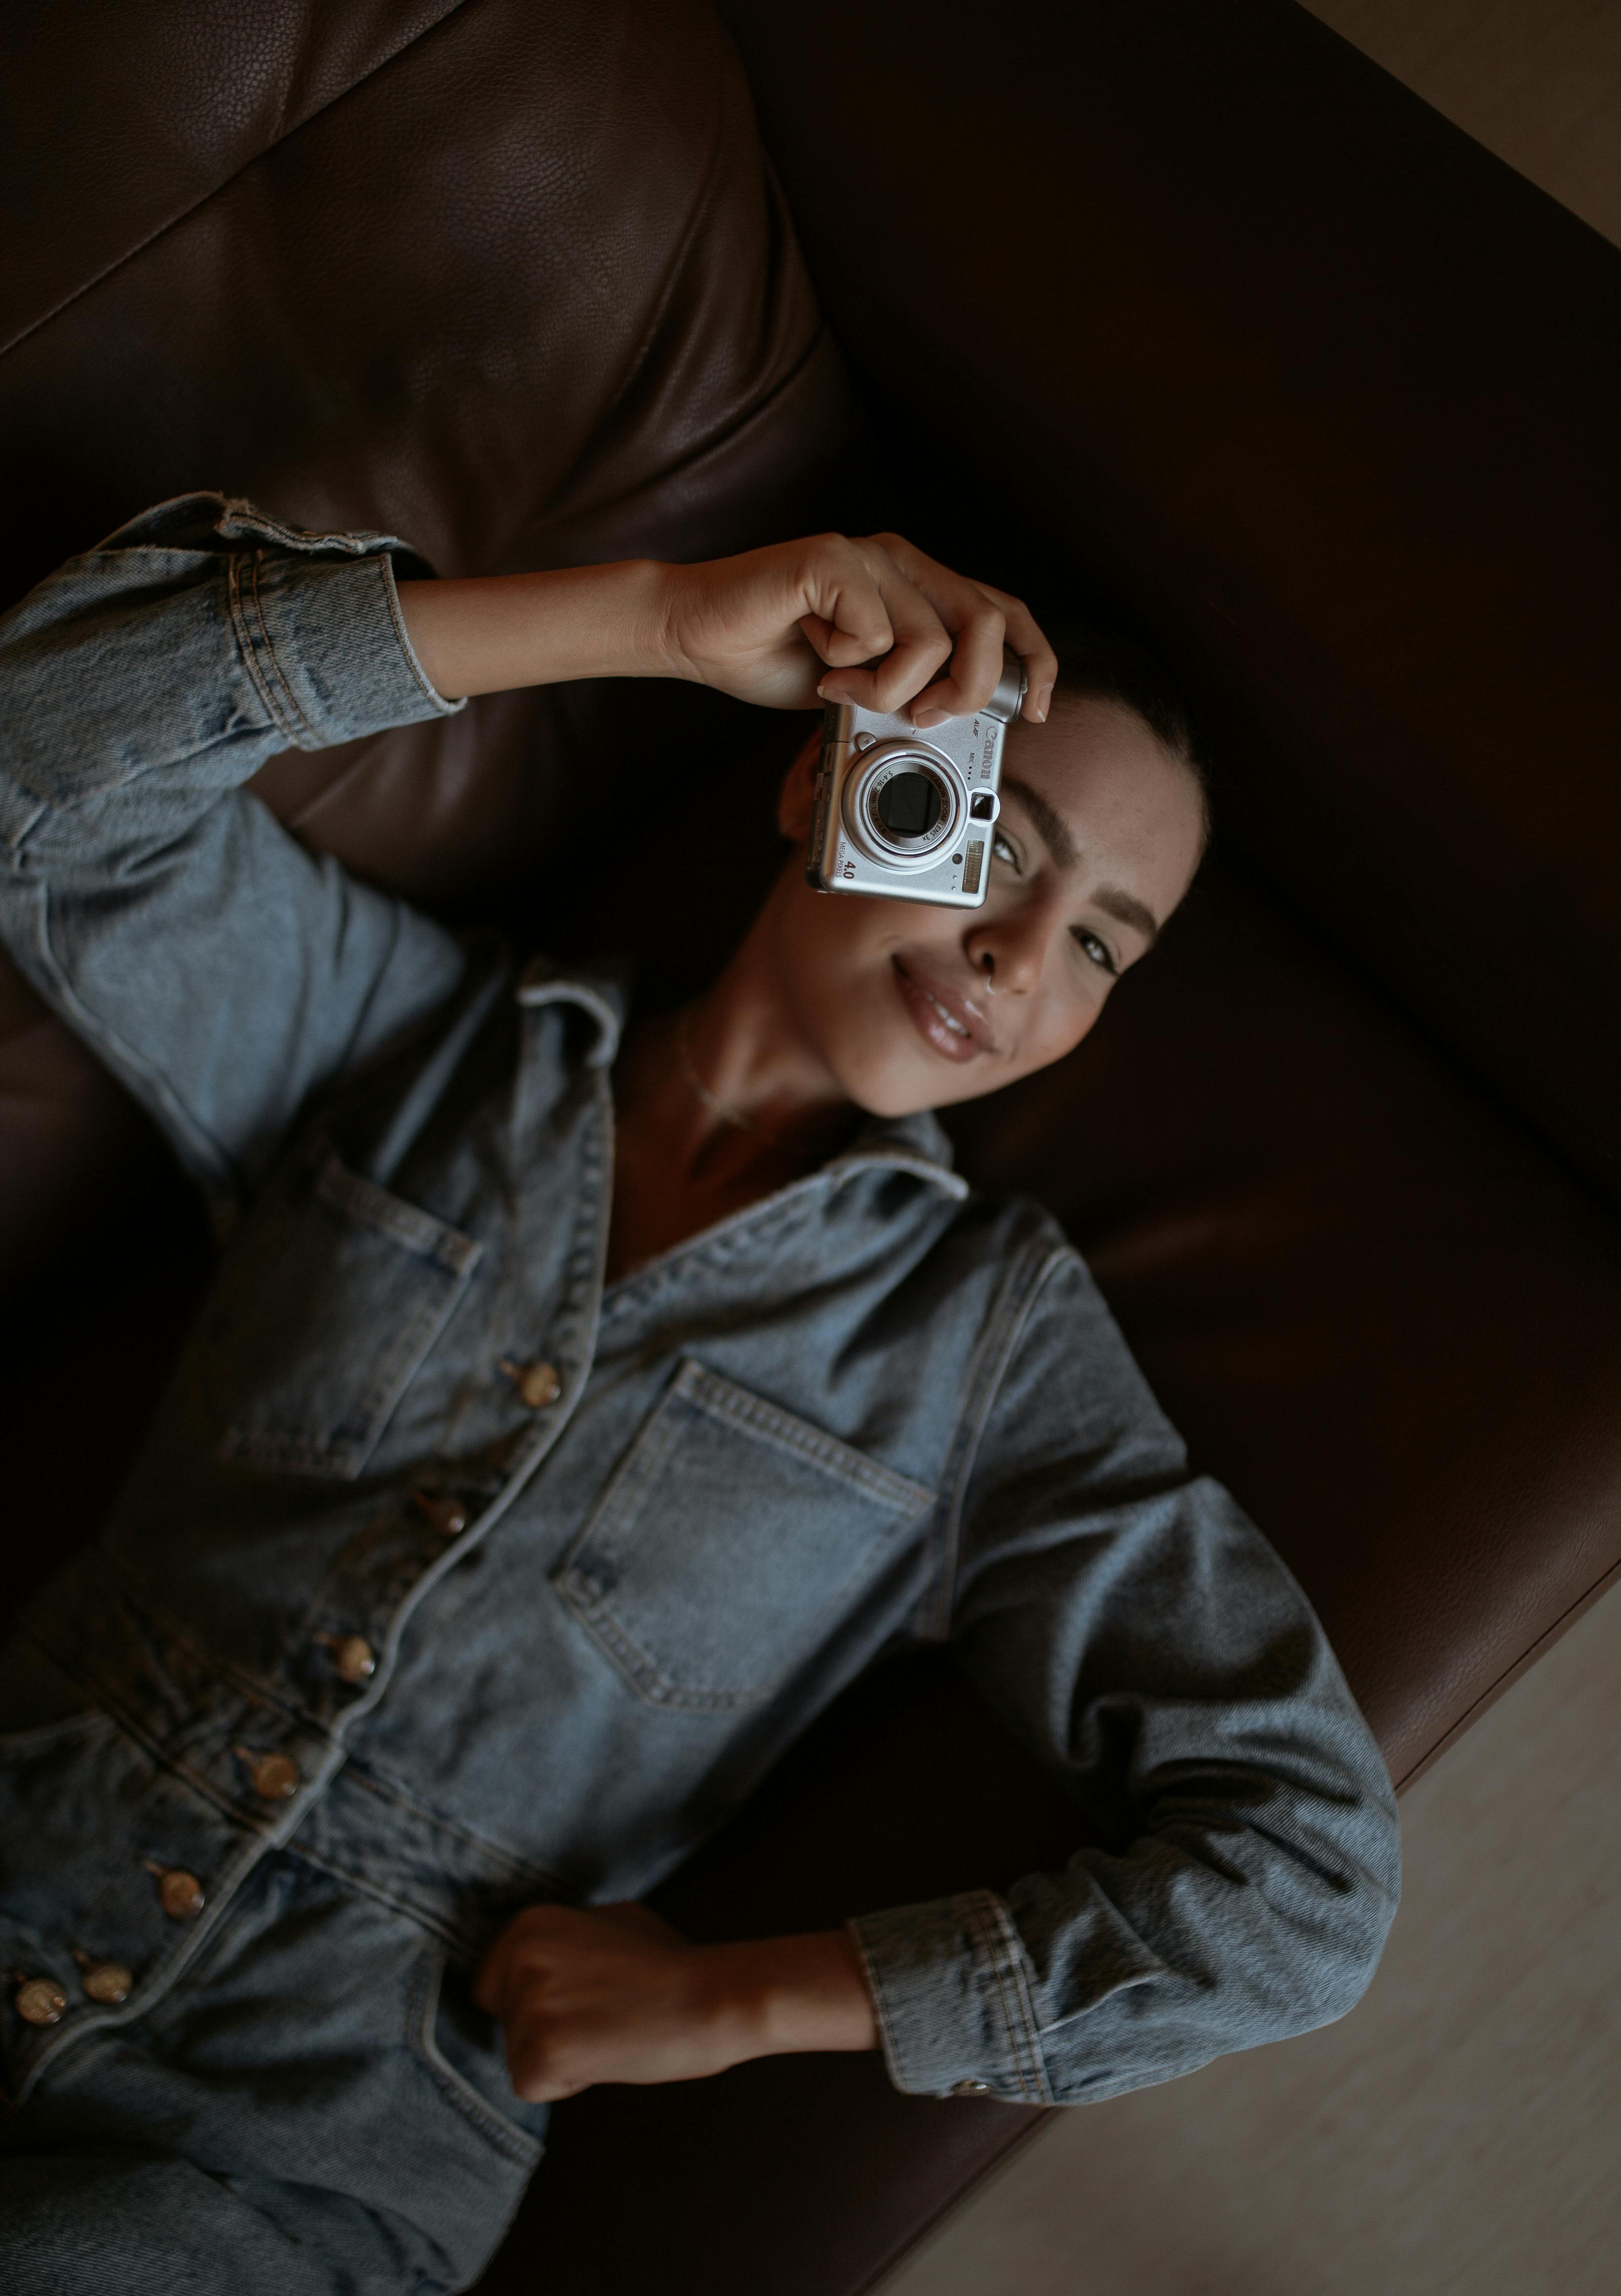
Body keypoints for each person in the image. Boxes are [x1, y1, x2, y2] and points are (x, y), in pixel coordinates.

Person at [0, 496, 1399, 2295]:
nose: (1021, 956)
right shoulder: (402, 1041)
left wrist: (744, 1996)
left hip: (291, 2159)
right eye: (995, 839)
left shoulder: (986, 1356)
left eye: (1103, 944)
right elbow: (35, 755)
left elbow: (1304, 1888)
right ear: (826, 781)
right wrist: (655, 620)